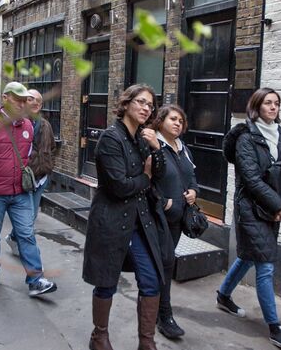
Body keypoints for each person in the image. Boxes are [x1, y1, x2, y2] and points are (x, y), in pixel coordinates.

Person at [82, 84, 173, 350]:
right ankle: (99, 336)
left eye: (150, 105)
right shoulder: (111, 138)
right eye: (141, 102)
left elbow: (160, 173)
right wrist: (145, 177)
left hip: (139, 222)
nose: (147, 108)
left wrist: (156, 148)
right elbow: (120, 186)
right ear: (126, 103)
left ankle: (146, 342)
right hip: (111, 220)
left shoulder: (141, 139)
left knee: (151, 279)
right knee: (106, 281)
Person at [217, 88, 281, 348]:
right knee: (264, 265)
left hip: (272, 210)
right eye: (268, 103)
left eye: (276, 103)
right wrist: (278, 204)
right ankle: (275, 328)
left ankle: (223, 295)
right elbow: (251, 180)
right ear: (257, 106)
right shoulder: (246, 137)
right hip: (251, 210)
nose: (273, 108)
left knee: (249, 256)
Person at [0, 81, 57, 296]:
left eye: (23, 100)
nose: (21, 104)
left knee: (26, 234)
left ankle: (36, 279)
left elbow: (27, 157)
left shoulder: (27, 125)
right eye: (16, 99)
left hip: (20, 192)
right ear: (5, 98)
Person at [148, 104, 198, 339]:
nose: (178, 123)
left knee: (164, 264)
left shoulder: (182, 147)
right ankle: (163, 315)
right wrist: (164, 202)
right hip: (158, 216)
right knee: (165, 262)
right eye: (173, 119)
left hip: (178, 217)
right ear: (160, 121)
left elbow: (191, 176)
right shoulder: (153, 144)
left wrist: (194, 192)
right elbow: (145, 181)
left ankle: (156, 311)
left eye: (181, 120)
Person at [6, 89, 56, 256]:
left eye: (38, 101)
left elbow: (51, 148)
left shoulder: (45, 124)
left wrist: (48, 166)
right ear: (23, 102)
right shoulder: (17, 123)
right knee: (25, 218)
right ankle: (27, 251)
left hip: (40, 178)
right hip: (23, 178)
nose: (35, 103)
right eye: (31, 99)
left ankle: (13, 238)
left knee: (32, 215)